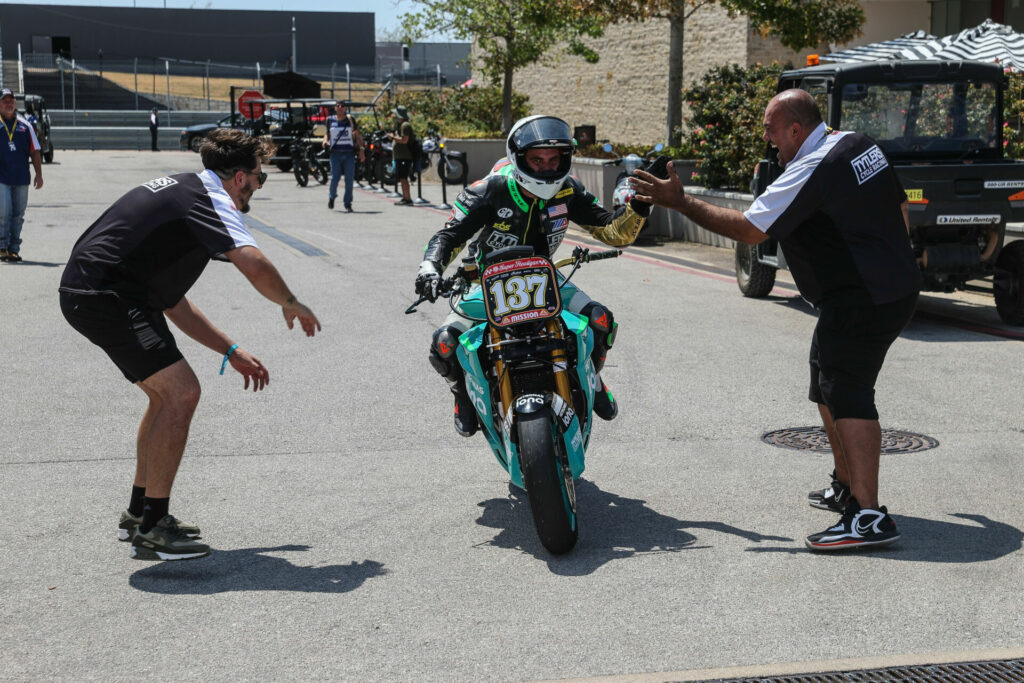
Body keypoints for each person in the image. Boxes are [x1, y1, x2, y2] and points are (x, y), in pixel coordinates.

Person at [631, 89, 921, 551]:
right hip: (878, 288)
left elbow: (751, 228)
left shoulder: (813, 167)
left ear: (795, 129)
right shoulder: (858, 143)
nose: (766, 139)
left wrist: (681, 203)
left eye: (770, 129)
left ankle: (869, 517)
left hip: (864, 297)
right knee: (823, 380)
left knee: (848, 392)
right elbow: (900, 207)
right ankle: (847, 487)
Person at [58, 128, 322, 561]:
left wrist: (231, 351)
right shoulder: (212, 199)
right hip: (106, 296)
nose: (257, 186)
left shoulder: (185, 193)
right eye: (259, 177)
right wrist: (291, 302)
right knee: (181, 393)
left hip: (100, 292)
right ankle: (155, 528)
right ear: (239, 177)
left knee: (164, 398)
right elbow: (252, 261)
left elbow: (174, 304)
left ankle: (140, 513)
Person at [415, 115, 655, 436]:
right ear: (518, 158)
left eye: (554, 159)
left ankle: (592, 376)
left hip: (544, 279)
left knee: (601, 321)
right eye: (537, 160)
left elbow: (613, 231)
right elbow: (448, 236)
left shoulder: (568, 189)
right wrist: (429, 268)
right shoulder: (489, 189)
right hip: (485, 284)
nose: (546, 168)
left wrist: (639, 205)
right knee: (443, 345)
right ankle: (462, 395)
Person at [0, 88, 43, 263]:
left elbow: (35, 152)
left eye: (11, 100)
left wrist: (38, 175)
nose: (8, 103)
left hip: (21, 178)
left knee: (18, 214)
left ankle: (14, 249)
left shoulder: (26, 127)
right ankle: (2, 246)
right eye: (4, 101)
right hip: (1, 178)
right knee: (4, 212)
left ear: (15, 103)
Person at [322, 100, 365, 212]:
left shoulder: (350, 120)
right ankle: (332, 196)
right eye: (338, 106)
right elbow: (327, 133)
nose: (340, 107)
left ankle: (348, 203)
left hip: (348, 153)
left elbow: (357, 135)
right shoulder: (330, 120)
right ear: (335, 108)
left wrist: (361, 150)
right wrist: (325, 141)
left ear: (345, 108)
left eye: (342, 106)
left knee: (349, 180)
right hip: (335, 153)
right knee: (335, 178)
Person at [387, 104, 414, 205]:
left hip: (405, 156)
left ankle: (408, 199)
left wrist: (393, 137)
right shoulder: (401, 125)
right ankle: (405, 197)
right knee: (402, 178)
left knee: (403, 178)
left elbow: (404, 140)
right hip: (400, 156)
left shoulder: (405, 125)